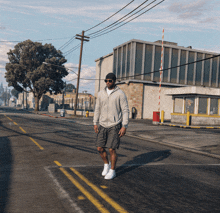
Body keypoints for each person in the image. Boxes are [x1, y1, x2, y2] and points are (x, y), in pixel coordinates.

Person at [93, 73, 129, 180]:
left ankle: (112, 170)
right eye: (106, 81)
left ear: (114, 81)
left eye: (110, 81)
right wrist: (95, 122)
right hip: (102, 124)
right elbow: (97, 109)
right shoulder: (101, 94)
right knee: (99, 148)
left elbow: (125, 110)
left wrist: (124, 126)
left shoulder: (120, 94)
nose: (108, 83)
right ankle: (106, 164)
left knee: (111, 149)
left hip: (115, 125)